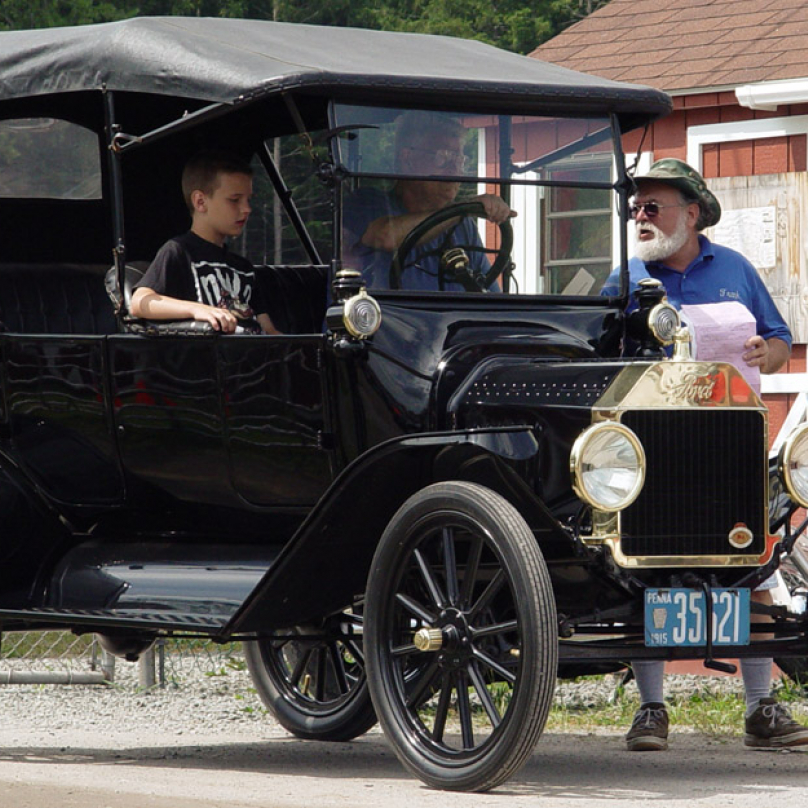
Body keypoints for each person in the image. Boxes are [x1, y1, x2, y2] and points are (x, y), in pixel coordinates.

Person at [602, 158, 805, 752]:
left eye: (652, 207)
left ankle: (762, 708)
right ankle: (650, 711)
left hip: (731, 444)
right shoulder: (627, 276)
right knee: (646, 571)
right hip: (652, 446)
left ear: (692, 214)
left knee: (754, 568)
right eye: (635, 208)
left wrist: (761, 351)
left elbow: (779, 341)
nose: (639, 216)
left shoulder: (736, 269)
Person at [342, 110, 515, 291]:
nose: (455, 170)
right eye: (444, 157)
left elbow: (488, 295)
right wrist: (464, 209)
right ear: (407, 158)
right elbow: (386, 237)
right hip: (386, 317)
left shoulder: (463, 226)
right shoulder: (367, 203)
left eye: (459, 160)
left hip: (453, 319)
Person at [131, 150, 280, 335]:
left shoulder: (244, 268)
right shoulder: (178, 251)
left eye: (248, 200)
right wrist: (197, 309)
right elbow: (139, 302)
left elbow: (269, 331)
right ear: (200, 201)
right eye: (234, 200)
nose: (247, 209)